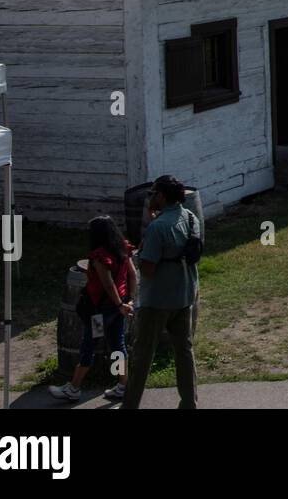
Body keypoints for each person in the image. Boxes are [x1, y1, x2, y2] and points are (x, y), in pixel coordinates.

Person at [123, 175, 200, 409]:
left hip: (156, 301)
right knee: (184, 352)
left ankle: (130, 405)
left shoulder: (157, 228)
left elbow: (147, 269)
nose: (150, 198)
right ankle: (189, 402)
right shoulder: (190, 217)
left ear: (162, 196)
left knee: (142, 356)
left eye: (152, 193)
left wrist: (139, 252)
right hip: (184, 295)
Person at [49, 216, 136, 402]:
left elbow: (107, 283)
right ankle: (123, 384)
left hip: (101, 310)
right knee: (117, 345)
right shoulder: (123, 249)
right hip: (118, 308)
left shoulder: (100, 256)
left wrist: (120, 305)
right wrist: (129, 301)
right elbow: (132, 276)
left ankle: (74, 388)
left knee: (88, 345)